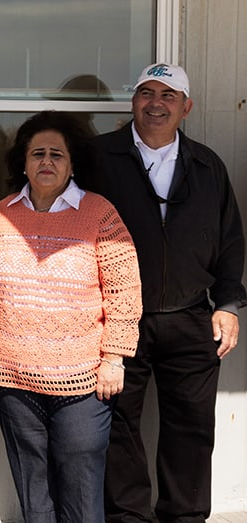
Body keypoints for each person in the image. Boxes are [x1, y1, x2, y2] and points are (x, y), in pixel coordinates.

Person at [95, 63, 246, 523]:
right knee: (116, 425)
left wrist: (227, 304)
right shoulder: (98, 158)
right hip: (119, 320)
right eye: (146, 92)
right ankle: (128, 517)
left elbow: (230, 241)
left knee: (192, 429)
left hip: (189, 316)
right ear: (132, 101)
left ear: (186, 107)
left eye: (168, 95)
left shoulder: (207, 166)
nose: (155, 103)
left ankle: (184, 516)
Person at [0, 110, 142, 522]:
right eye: (38, 153)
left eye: (57, 154)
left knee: (82, 488)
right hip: (12, 378)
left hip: (83, 380)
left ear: (72, 163)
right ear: (23, 161)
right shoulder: (1, 214)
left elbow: (124, 289)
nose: (47, 162)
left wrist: (115, 358)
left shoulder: (98, 213)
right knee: (33, 490)